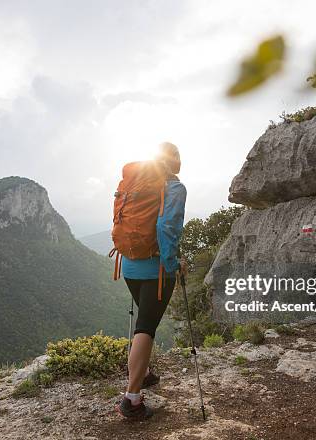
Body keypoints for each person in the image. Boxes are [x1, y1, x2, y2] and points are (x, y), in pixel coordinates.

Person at [116, 142, 187, 419]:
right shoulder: (175, 187)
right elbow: (166, 226)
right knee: (146, 328)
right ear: (176, 163)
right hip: (156, 271)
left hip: (129, 267)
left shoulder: (135, 184)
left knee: (144, 318)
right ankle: (132, 400)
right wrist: (173, 263)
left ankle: (143, 374)